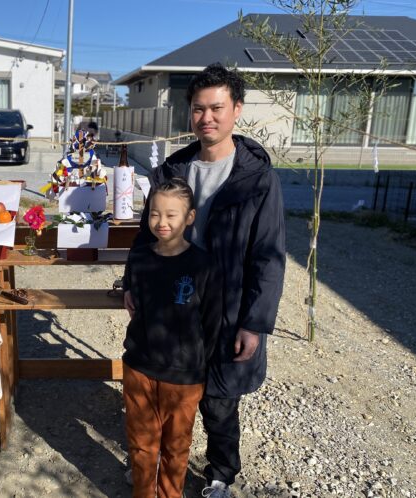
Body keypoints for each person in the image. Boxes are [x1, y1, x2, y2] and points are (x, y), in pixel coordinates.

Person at [125, 63, 286, 498]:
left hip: (228, 307)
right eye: (198, 109)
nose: (207, 118)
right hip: (172, 307)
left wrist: (255, 322)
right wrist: (130, 284)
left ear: (236, 109)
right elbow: (146, 232)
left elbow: (268, 256)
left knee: (218, 400)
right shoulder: (174, 170)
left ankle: (220, 473)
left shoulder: (257, 179)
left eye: (217, 108)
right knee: (162, 389)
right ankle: (146, 461)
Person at [123, 177, 222, 498]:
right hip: (139, 365)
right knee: (141, 444)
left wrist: (200, 367)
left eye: (171, 215)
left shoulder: (204, 265)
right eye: (154, 214)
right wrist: (126, 288)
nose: (161, 222)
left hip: (184, 377)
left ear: (189, 217)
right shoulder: (138, 258)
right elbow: (132, 292)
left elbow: (212, 322)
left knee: (176, 448)